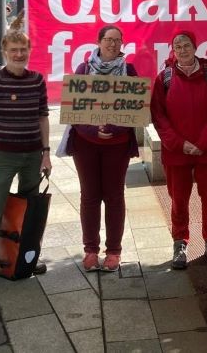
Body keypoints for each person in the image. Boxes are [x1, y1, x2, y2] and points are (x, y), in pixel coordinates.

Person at [0, 28, 51, 294]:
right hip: (3, 157)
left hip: (32, 155)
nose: (19, 54)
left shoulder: (37, 80)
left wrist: (46, 153)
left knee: (30, 211)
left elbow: (43, 116)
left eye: (23, 49)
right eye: (14, 50)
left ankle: (26, 256)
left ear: (29, 51)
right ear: (4, 52)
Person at [151, 31, 207, 270]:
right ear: (172, 50)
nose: (182, 49)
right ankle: (180, 243)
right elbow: (159, 116)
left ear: (195, 48)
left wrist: (203, 142)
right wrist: (179, 143)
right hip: (177, 152)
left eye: (186, 45)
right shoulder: (164, 77)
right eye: (177, 46)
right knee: (179, 200)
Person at [67, 26, 140, 272]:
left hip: (117, 146)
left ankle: (114, 251)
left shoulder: (129, 72)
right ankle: (90, 250)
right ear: (98, 42)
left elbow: (135, 111)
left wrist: (113, 128)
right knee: (89, 196)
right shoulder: (84, 70)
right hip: (85, 144)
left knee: (114, 196)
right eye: (108, 40)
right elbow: (74, 112)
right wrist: (91, 130)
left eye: (117, 40)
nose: (112, 44)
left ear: (122, 44)